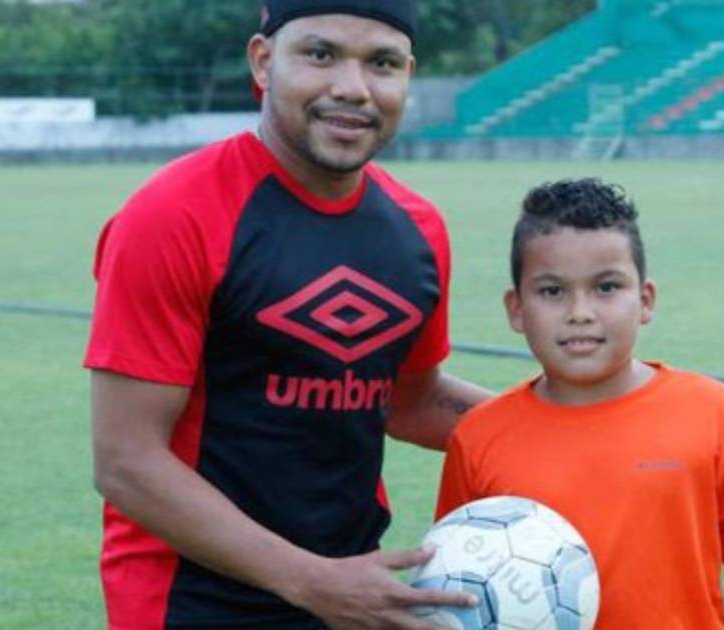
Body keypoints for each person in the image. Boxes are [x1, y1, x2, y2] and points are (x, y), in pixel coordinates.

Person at [84, 1, 490, 627]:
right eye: (321, 55)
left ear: (408, 75)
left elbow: (409, 400)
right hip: (191, 605)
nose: (352, 88)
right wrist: (312, 582)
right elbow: (127, 461)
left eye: (381, 63)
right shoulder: (173, 215)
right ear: (263, 61)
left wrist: (573, 425)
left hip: (350, 598)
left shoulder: (419, 229)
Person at [434, 178, 724, 629]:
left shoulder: (715, 414)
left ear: (645, 300)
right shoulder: (479, 436)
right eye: (552, 291)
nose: (580, 312)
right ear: (516, 309)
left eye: (606, 287)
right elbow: (457, 584)